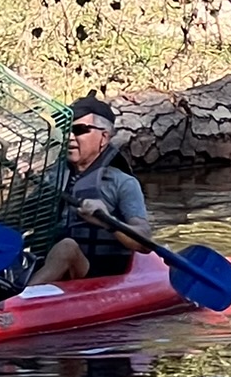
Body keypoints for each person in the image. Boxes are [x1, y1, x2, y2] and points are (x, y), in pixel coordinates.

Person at [27, 95, 153, 285]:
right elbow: (14, 224)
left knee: (67, 247)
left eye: (79, 130)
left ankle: (19, 299)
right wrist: (21, 188)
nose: (69, 137)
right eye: (66, 129)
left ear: (104, 137)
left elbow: (144, 241)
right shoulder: (53, 178)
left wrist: (108, 221)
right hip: (48, 265)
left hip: (97, 274)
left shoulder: (123, 183)